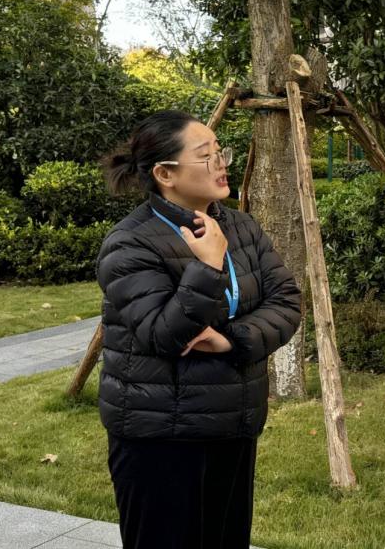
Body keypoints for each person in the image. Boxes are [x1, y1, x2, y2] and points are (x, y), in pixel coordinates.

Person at [97, 110, 301, 549]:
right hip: (161, 437)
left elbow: (286, 301)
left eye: (221, 152)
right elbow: (163, 334)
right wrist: (207, 264)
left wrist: (232, 340)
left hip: (232, 424)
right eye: (206, 156)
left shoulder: (240, 226)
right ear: (165, 174)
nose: (221, 163)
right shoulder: (129, 243)